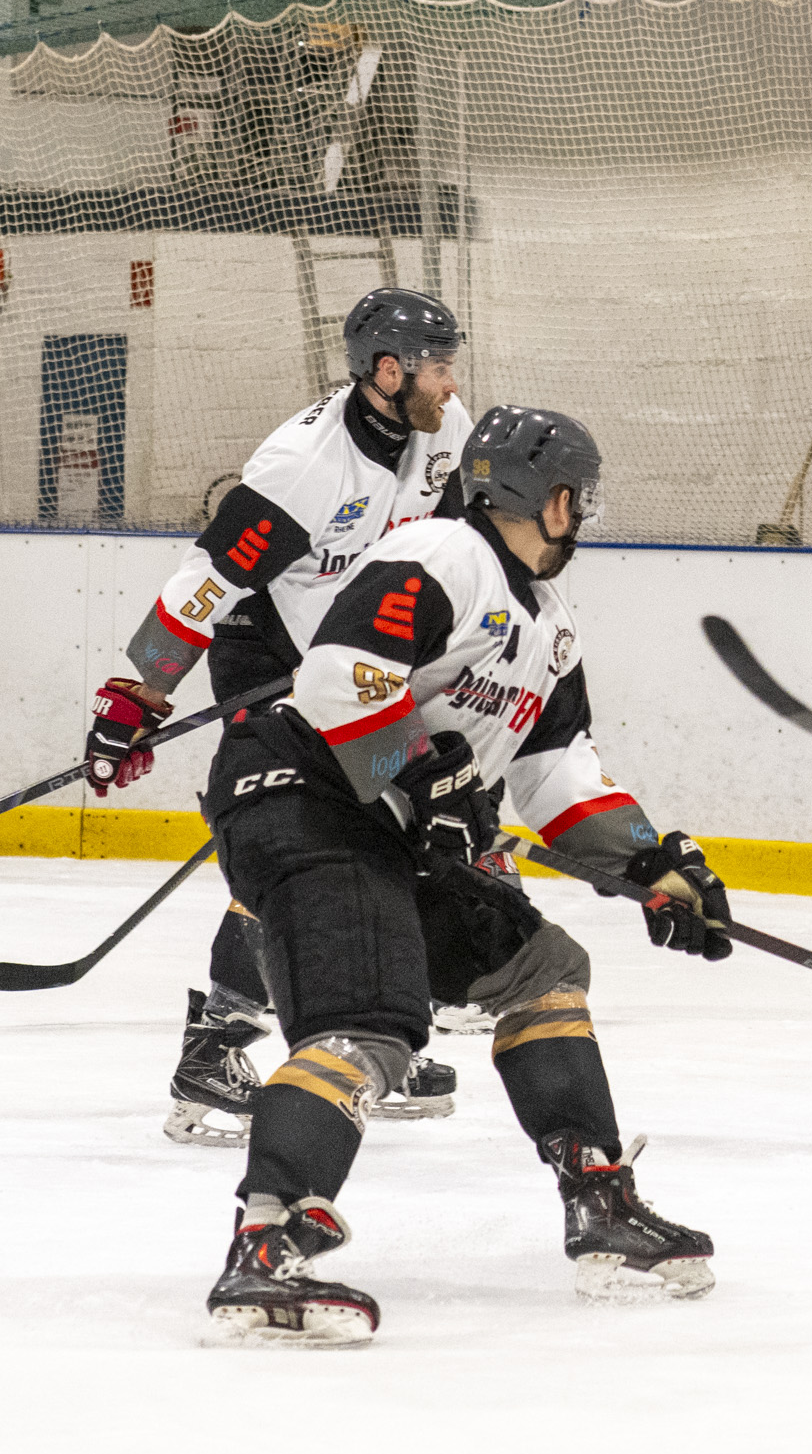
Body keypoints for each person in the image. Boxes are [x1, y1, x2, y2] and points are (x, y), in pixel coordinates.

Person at [198, 405, 732, 1346]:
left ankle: (598, 1200)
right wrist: (419, 774)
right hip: (308, 801)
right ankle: (267, 1240)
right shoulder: (442, 552)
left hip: (393, 831)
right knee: (372, 1020)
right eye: (580, 497)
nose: (582, 516)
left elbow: (554, 772)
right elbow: (337, 679)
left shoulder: (550, 627)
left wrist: (654, 865)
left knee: (541, 969)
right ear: (553, 498)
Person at [86, 288, 475, 1145]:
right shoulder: (301, 470)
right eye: (440, 368)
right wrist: (136, 698)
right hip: (267, 654)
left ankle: (376, 1037)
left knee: (397, 832)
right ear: (387, 370)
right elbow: (204, 587)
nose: (453, 385)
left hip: (360, 661)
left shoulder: (445, 431)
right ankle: (216, 1048)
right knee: (299, 838)